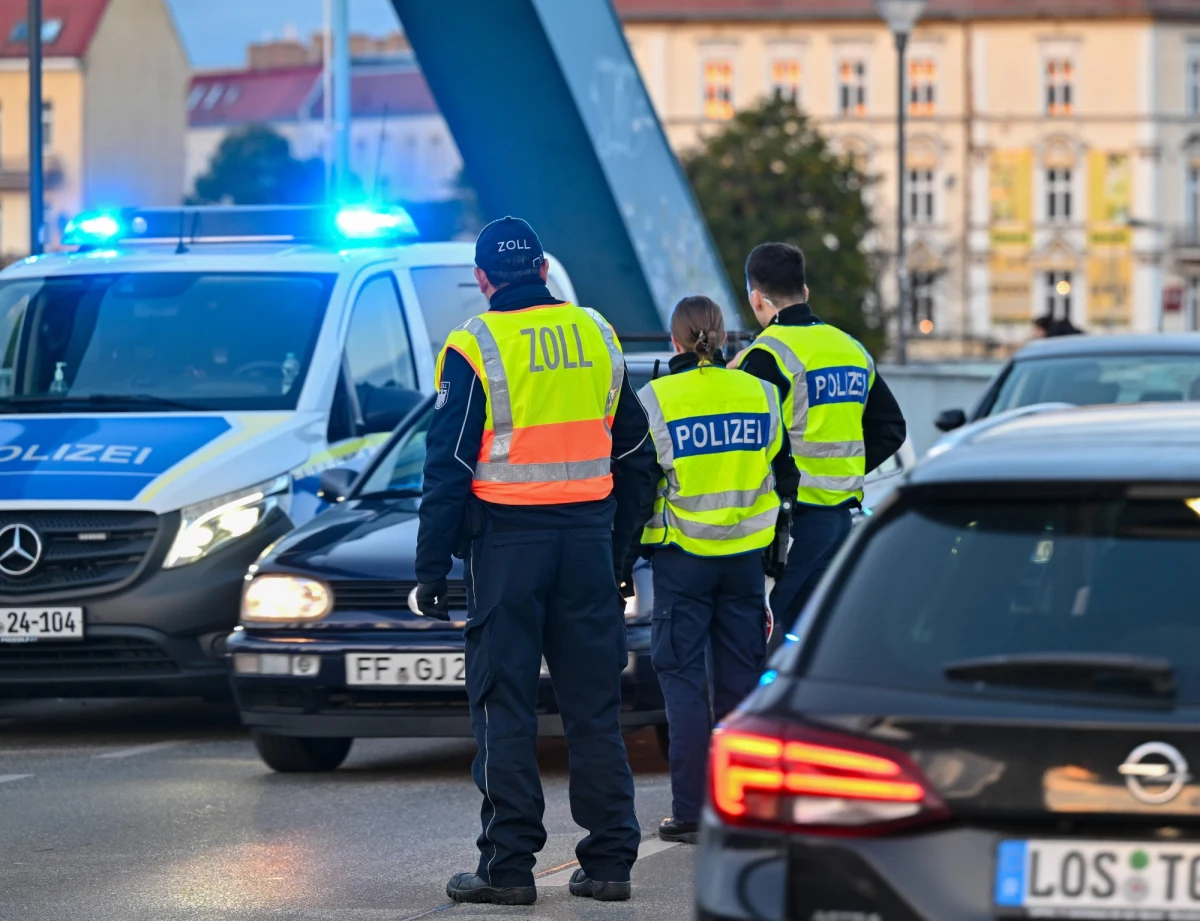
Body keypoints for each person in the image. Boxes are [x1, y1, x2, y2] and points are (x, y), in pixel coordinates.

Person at [414, 217, 656, 905]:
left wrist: (431, 567)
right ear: (545, 271)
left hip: (509, 548)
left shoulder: (476, 343)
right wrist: (616, 553)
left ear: (484, 278)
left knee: (504, 704)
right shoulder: (597, 334)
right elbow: (637, 457)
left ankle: (509, 867)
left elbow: (450, 462)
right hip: (585, 544)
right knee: (593, 708)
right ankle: (610, 861)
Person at [634, 295, 799, 845]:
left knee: (682, 684)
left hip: (682, 562)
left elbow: (637, 488)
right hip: (745, 563)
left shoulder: (655, 399)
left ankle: (690, 811)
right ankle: (744, 807)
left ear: (675, 341)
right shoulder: (760, 393)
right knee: (741, 686)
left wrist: (620, 558)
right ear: (724, 336)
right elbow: (785, 473)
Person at [734, 243, 906, 631]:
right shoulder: (852, 349)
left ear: (757, 299)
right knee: (815, 636)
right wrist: (845, 470)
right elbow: (892, 428)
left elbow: (750, 445)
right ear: (805, 292)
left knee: (758, 634)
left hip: (789, 527)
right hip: (841, 520)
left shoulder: (764, 356)